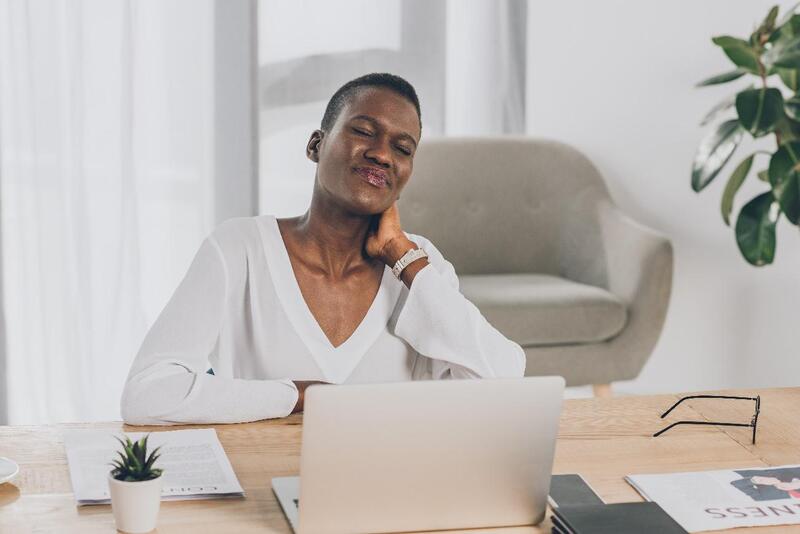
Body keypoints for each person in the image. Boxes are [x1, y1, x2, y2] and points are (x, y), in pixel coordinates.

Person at [121, 73, 525, 425]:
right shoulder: (239, 249)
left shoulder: (421, 266)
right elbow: (147, 393)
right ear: (316, 144)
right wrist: (296, 397)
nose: (382, 153)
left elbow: (503, 384)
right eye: (364, 131)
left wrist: (403, 256)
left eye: (403, 148)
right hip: (266, 485)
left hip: (393, 497)